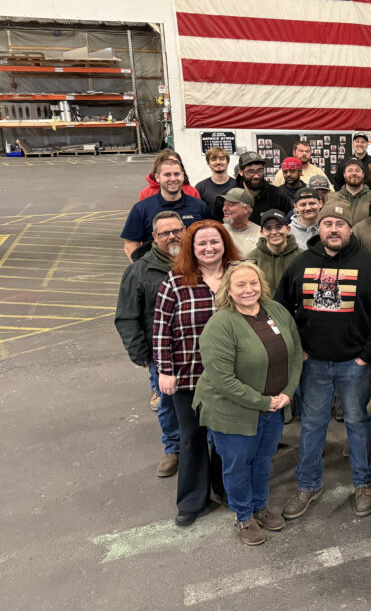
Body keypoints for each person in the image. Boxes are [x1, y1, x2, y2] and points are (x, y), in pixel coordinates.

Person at [275, 205, 371, 519]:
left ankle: (364, 483)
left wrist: (366, 354)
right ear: (319, 228)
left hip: (354, 364)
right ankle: (308, 484)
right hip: (313, 363)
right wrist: (299, 348)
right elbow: (280, 308)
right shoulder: (302, 263)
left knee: (357, 423)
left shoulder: (370, 265)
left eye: (340, 224)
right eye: (327, 223)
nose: (333, 229)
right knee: (312, 424)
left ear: (349, 229)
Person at [194, 262, 302, 545]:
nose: (248, 290)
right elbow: (222, 379)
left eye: (253, 283)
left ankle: (259, 506)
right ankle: (243, 516)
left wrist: (288, 392)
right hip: (232, 410)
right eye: (240, 285)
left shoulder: (276, 311)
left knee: (263, 460)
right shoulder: (221, 324)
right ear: (228, 290)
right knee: (238, 465)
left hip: (274, 406)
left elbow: (295, 353)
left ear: (261, 285)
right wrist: (263, 401)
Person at [153, 220, 240, 526]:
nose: (209, 248)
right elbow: (161, 328)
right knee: (192, 438)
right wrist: (165, 371)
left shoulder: (238, 275)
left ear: (224, 244)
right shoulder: (176, 281)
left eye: (215, 242)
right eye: (201, 243)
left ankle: (227, 490)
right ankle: (193, 501)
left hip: (231, 377)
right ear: (191, 247)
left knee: (227, 438)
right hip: (189, 376)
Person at [115, 211, 184, 477]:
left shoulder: (198, 261)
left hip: (198, 352)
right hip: (162, 355)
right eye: (165, 233)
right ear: (154, 236)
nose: (172, 236)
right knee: (168, 404)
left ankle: (202, 445)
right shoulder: (139, 271)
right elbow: (126, 317)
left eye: (177, 230)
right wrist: (142, 356)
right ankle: (174, 449)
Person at [122, 157, 208, 260]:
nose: (173, 179)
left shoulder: (200, 206)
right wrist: (140, 268)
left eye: (177, 174)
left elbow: (208, 238)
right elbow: (130, 244)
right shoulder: (141, 209)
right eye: (167, 175)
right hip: (155, 267)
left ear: (182, 176)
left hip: (192, 267)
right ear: (157, 177)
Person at [213, 151, 292, 224]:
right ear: (241, 172)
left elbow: (288, 224)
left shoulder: (278, 196)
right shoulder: (226, 197)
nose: (256, 176)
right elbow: (218, 227)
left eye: (260, 170)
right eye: (250, 171)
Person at [245, 209, 300, 294]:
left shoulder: (301, 256)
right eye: (268, 228)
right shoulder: (250, 259)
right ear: (262, 232)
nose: (274, 232)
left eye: (279, 227)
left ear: (288, 229)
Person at [138, 149, 202, 201]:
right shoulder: (146, 193)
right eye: (168, 163)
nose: (172, 165)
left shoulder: (191, 191)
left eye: (176, 162)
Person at [324, 157, 371, 225]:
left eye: (358, 170)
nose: (354, 173)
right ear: (344, 174)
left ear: (363, 174)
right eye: (350, 170)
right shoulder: (335, 198)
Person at [218, 188, 261, 256]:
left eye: (230, 205)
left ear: (246, 209)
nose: (224, 209)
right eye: (224, 204)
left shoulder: (261, 234)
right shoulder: (218, 231)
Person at [195, 147, 236, 211]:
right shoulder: (200, 187)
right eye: (213, 159)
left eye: (222, 159)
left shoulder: (238, 185)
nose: (218, 162)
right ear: (208, 163)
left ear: (228, 161)